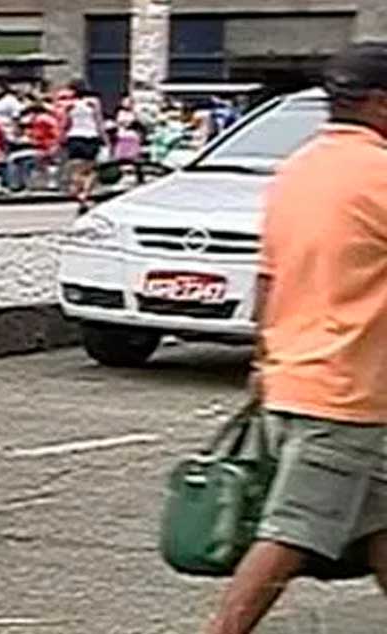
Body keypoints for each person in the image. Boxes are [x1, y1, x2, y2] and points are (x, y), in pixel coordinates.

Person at [206, 42, 387, 634]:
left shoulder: (298, 168)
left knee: (379, 521)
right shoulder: (380, 173)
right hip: (348, 390)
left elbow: (268, 276)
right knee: (293, 531)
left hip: (296, 375)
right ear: (380, 104)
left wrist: (264, 356)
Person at [63, 79, 108, 214]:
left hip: (74, 136)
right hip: (91, 136)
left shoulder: (70, 105)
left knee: (76, 169)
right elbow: (99, 121)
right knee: (92, 169)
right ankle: (85, 193)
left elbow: (66, 123)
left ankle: (79, 194)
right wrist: (105, 139)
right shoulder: (93, 102)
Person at [113, 96, 145, 185]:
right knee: (122, 158)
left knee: (134, 158)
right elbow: (119, 122)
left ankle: (137, 176)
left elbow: (139, 123)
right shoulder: (119, 112)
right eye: (125, 101)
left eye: (129, 102)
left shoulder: (135, 113)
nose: (127, 103)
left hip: (133, 137)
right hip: (122, 136)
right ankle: (123, 175)